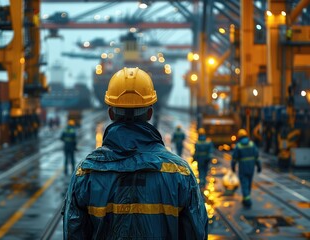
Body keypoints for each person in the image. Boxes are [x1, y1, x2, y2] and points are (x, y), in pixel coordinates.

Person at [63, 67, 208, 239]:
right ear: (149, 112)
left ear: (110, 113)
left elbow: (73, 232)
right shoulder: (180, 173)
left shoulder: (85, 173)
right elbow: (196, 233)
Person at [231, 129, 261, 208]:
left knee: (244, 183)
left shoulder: (238, 146)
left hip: (243, 168)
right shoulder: (251, 144)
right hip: (251, 168)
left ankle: (247, 200)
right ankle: (246, 198)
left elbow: (234, 158)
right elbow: (256, 156)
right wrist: (259, 166)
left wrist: (233, 167)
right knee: (249, 183)